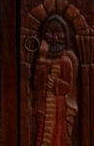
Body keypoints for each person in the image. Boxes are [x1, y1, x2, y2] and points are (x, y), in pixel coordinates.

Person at [32, 16, 78, 146]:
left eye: (59, 33)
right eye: (51, 33)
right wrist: (41, 58)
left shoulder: (65, 60)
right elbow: (36, 82)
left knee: (56, 135)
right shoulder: (42, 59)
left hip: (58, 106)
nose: (55, 37)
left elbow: (67, 87)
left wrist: (56, 83)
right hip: (43, 104)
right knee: (42, 134)